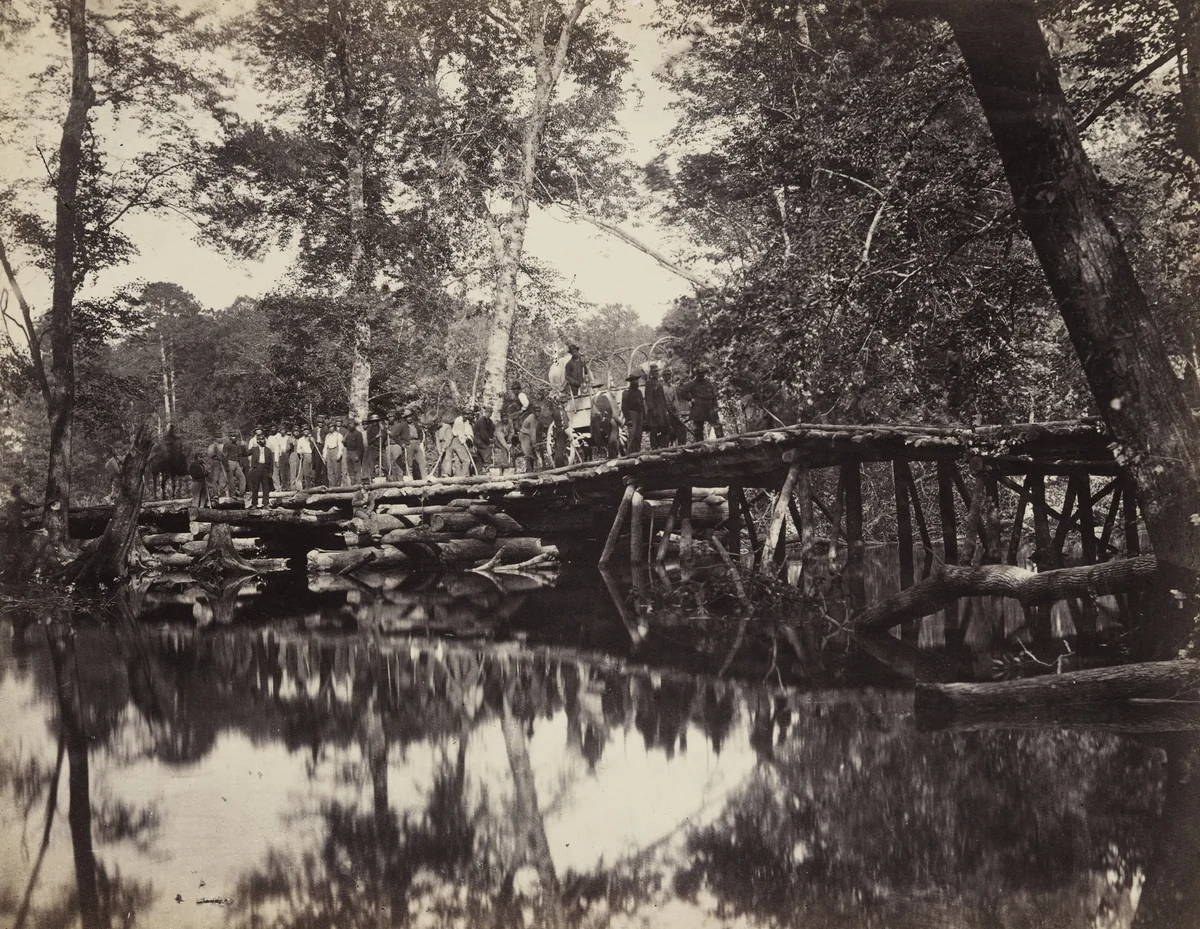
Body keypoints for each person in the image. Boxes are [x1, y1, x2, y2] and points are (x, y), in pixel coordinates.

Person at [680, 368, 723, 442]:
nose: (701, 375)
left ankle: (722, 443)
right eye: (700, 373)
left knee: (718, 426)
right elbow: (682, 392)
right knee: (698, 429)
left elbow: (714, 396)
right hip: (698, 408)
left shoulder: (708, 383)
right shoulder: (692, 384)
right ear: (696, 374)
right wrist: (690, 398)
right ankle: (700, 447)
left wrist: (715, 407)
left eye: (703, 373)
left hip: (710, 408)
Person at [645, 365, 670, 449]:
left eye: (657, 371)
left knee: (665, 428)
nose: (656, 373)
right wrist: (653, 410)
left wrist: (665, 408)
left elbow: (662, 397)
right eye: (654, 371)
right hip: (654, 410)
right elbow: (648, 398)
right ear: (651, 373)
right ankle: (654, 447)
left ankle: (663, 445)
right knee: (654, 429)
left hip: (661, 409)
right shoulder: (649, 383)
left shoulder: (659, 383)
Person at [246, 433, 275, 508]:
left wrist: (270, 472)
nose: (263, 441)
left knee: (266, 488)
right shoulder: (254, 449)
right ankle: (254, 504)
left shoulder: (268, 450)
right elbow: (245, 454)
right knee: (255, 487)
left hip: (265, 469)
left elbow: (271, 462)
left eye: (264, 439)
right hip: (256, 469)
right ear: (258, 441)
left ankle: (266, 504)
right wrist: (243, 446)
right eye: (261, 439)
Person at [662, 370, 689, 445]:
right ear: (663, 377)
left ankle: (681, 447)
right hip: (664, 411)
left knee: (682, 429)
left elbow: (675, 400)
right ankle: (664, 446)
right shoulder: (661, 387)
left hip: (672, 410)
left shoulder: (673, 387)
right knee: (667, 429)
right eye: (666, 375)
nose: (668, 376)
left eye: (669, 375)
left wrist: (678, 412)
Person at [622, 373, 645, 455]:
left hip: (640, 414)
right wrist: (628, 419)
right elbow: (624, 407)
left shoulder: (639, 392)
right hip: (632, 414)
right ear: (631, 382)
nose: (636, 382)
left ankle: (637, 452)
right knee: (632, 435)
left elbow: (642, 404)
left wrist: (644, 417)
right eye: (634, 381)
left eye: (637, 380)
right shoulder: (626, 392)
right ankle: (630, 454)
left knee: (639, 435)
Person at [401, 405, 426, 480]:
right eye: (407, 417)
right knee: (409, 463)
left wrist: (420, 440)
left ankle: (425, 479)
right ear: (405, 418)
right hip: (409, 444)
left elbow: (421, 433)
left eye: (410, 416)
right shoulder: (403, 425)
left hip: (417, 443)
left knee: (422, 462)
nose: (409, 418)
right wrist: (402, 443)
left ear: (412, 417)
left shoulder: (415, 424)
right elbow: (395, 435)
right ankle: (410, 480)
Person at [448, 409, 475, 477]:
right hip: (458, 441)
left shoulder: (467, 422)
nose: (467, 416)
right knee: (466, 461)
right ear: (463, 414)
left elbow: (469, 433)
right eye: (466, 415)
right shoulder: (459, 420)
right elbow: (460, 434)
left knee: (458, 461)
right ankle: (465, 476)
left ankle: (458, 476)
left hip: (462, 441)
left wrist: (469, 439)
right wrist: (464, 443)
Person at [221, 430, 246, 498]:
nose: (234, 437)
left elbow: (240, 455)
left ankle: (242, 494)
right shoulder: (227, 444)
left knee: (242, 478)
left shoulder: (238, 444)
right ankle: (232, 494)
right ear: (229, 437)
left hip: (237, 462)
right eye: (232, 436)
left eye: (235, 436)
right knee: (231, 480)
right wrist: (226, 466)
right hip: (229, 462)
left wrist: (241, 464)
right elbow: (224, 456)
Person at [323, 420, 346, 486]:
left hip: (335, 451)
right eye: (329, 427)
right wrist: (324, 455)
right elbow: (325, 446)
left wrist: (339, 455)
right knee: (329, 471)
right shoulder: (327, 436)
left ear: (334, 427)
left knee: (337, 471)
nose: (331, 428)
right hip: (329, 452)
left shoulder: (338, 435)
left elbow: (341, 446)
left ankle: (337, 486)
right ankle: (331, 486)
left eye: (332, 427)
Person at [344, 415, 366, 484]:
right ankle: (353, 485)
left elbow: (360, 447)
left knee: (357, 471)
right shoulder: (348, 434)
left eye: (352, 424)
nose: (350, 425)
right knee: (350, 471)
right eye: (349, 424)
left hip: (355, 453)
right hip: (348, 453)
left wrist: (357, 455)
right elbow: (345, 443)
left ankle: (358, 485)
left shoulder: (358, 434)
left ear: (355, 425)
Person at [519, 407, 540, 472]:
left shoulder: (536, 418)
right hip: (524, 435)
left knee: (533, 453)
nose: (538, 413)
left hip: (528, 435)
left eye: (539, 411)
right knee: (528, 454)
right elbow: (532, 432)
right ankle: (529, 470)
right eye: (536, 411)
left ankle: (534, 469)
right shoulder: (532, 418)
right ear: (534, 412)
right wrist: (534, 444)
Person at [267, 425, 287, 491]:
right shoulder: (269, 438)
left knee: (283, 472)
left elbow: (280, 447)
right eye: (272, 428)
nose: (273, 429)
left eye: (274, 428)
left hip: (281, 454)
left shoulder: (280, 436)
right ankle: (277, 487)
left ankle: (284, 486)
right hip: (272, 454)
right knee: (274, 472)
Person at [312, 420, 329, 485]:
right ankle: (317, 483)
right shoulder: (314, 430)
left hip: (324, 447)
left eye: (321, 422)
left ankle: (326, 482)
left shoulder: (326, 429)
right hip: (317, 447)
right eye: (319, 422)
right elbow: (312, 438)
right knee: (317, 465)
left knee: (324, 464)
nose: (320, 424)